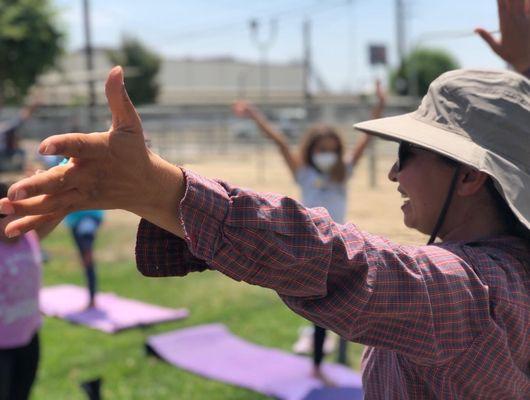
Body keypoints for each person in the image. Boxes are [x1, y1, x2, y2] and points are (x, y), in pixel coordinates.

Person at [1, 2, 529, 399]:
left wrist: (161, 190)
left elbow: (344, 264)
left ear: (469, 178)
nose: (393, 170)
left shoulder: (475, 294)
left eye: (410, 152)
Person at [232, 83, 385, 383]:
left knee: (349, 302)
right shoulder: (305, 173)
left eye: (332, 150)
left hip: (343, 248)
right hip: (314, 249)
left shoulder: (344, 171)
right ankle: (317, 365)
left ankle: (341, 356)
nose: (327, 155)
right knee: (320, 311)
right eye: (321, 150)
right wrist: (254, 115)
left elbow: (366, 139)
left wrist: (379, 106)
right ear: (311, 150)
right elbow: (278, 142)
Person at [0, 181, 59, 400]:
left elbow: (54, 212)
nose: (15, 220)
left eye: (19, 212)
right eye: (5, 214)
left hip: (28, 337)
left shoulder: (28, 237)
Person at [65, 210, 104, 309]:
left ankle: (92, 300)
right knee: (86, 263)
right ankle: (92, 300)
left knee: (88, 263)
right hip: (74, 220)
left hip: (88, 217)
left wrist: (87, 249)